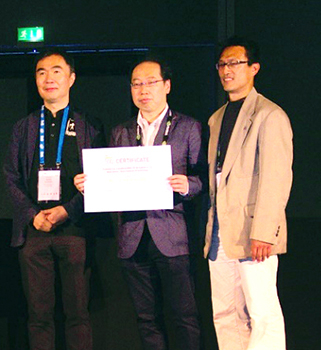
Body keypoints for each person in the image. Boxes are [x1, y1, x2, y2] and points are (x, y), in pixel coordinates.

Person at [74, 58, 204, 349]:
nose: (143, 89)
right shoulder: (120, 131)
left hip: (172, 235)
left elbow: (203, 178)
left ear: (167, 86)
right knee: (146, 319)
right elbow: (112, 181)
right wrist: (89, 185)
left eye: (151, 82)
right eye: (136, 83)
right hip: (132, 235)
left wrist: (189, 185)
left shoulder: (189, 127)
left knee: (185, 316)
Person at [3, 50, 104, 350]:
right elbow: (10, 176)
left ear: (71, 78)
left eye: (57, 71)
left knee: (78, 314)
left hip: (74, 230)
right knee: (38, 315)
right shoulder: (24, 126)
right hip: (34, 232)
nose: (49, 78)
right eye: (41, 72)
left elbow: (99, 180)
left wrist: (67, 210)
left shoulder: (91, 125)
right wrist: (32, 214)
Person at [206, 36, 292, 350]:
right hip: (220, 233)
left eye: (235, 63)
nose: (227, 70)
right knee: (225, 313)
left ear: (254, 68)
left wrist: (264, 232)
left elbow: (276, 178)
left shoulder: (270, 114)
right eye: (222, 64)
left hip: (254, 233)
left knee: (263, 312)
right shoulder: (216, 118)